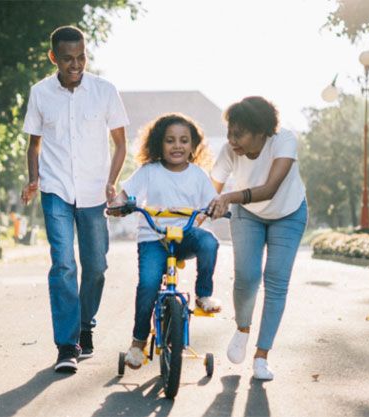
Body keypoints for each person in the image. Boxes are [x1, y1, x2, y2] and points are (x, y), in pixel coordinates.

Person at [21, 26, 128, 373]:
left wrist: (112, 182)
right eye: (68, 59)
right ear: (54, 57)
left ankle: (85, 326)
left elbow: (120, 143)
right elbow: (34, 144)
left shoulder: (105, 91)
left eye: (81, 57)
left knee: (96, 266)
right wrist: (34, 179)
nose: (76, 64)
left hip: (95, 192)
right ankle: (67, 345)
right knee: (64, 264)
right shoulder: (40, 93)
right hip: (55, 191)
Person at [109, 113, 222, 369]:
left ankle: (204, 295)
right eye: (170, 140)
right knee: (148, 284)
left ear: (193, 146)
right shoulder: (149, 171)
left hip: (184, 236)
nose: (177, 146)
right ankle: (138, 344)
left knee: (209, 243)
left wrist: (215, 209)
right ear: (160, 143)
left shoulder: (198, 175)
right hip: (153, 237)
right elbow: (125, 195)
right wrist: (118, 204)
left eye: (184, 140)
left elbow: (211, 202)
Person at [208, 96, 307, 380]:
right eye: (229, 132)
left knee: (276, 280)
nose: (231, 140)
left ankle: (262, 356)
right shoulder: (230, 151)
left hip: (288, 213)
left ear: (261, 131)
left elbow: (271, 188)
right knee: (247, 276)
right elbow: (210, 189)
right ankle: (242, 329)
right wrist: (201, 211)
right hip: (248, 215)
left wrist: (229, 197)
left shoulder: (283, 141)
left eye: (239, 134)